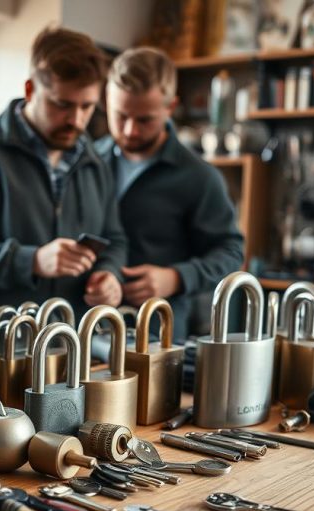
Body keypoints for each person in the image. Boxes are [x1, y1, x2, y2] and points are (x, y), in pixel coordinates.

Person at [0, 27, 127, 317]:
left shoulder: (95, 162)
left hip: (70, 345)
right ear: (30, 89)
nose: (76, 119)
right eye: (62, 104)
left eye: (87, 107)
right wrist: (31, 260)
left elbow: (115, 239)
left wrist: (110, 276)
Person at [95, 47, 244, 340]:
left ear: (170, 107)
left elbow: (231, 252)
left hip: (156, 336)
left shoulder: (200, 177)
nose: (130, 130)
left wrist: (176, 278)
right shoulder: (87, 161)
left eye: (145, 120)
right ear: (106, 100)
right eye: (120, 115)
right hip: (86, 328)